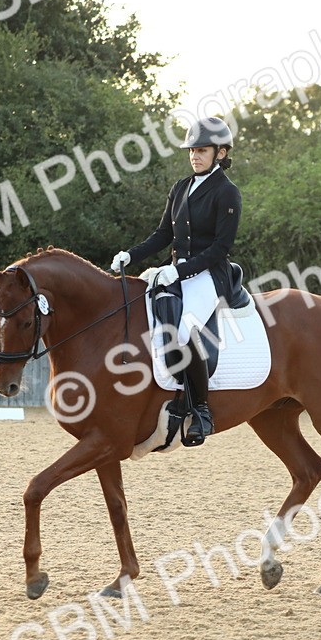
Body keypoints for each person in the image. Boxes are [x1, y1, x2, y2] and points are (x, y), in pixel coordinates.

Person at [110, 116, 241, 446]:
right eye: (192, 150)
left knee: (184, 332)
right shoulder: (182, 186)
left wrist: (180, 271)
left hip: (210, 275)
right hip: (175, 271)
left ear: (221, 153)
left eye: (202, 150)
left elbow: (220, 248)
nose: (194, 155)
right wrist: (131, 255)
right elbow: (163, 234)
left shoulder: (227, 192)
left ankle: (201, 410)